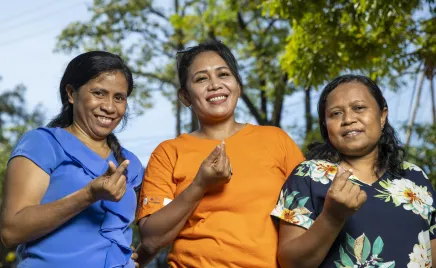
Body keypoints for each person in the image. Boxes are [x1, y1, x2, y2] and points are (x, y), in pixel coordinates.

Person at [135, 40, 305, 267]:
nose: (215, 85)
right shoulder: (168, 153)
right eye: (201, 78)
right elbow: (152, 239)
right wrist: (200, 185)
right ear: (185, 96)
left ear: (238, 86)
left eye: (223, 74)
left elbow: (308, 215)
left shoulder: (277, 140)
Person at [272, 74, 436, 267]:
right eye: (335, 113)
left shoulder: (415, 177)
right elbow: (290, 263)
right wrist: (332, 217)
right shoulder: (308, 175)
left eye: (359, 108)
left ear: (382, 116)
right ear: (325, 125)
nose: (348, 119)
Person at [0, 51, 143, 268]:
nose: (110, 107)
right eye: (99, 93)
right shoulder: (43, 143)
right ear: (71, 94)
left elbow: (137, 232)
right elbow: (11, 231)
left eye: (119, 97)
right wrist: (88, 195)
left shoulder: (129, 163)